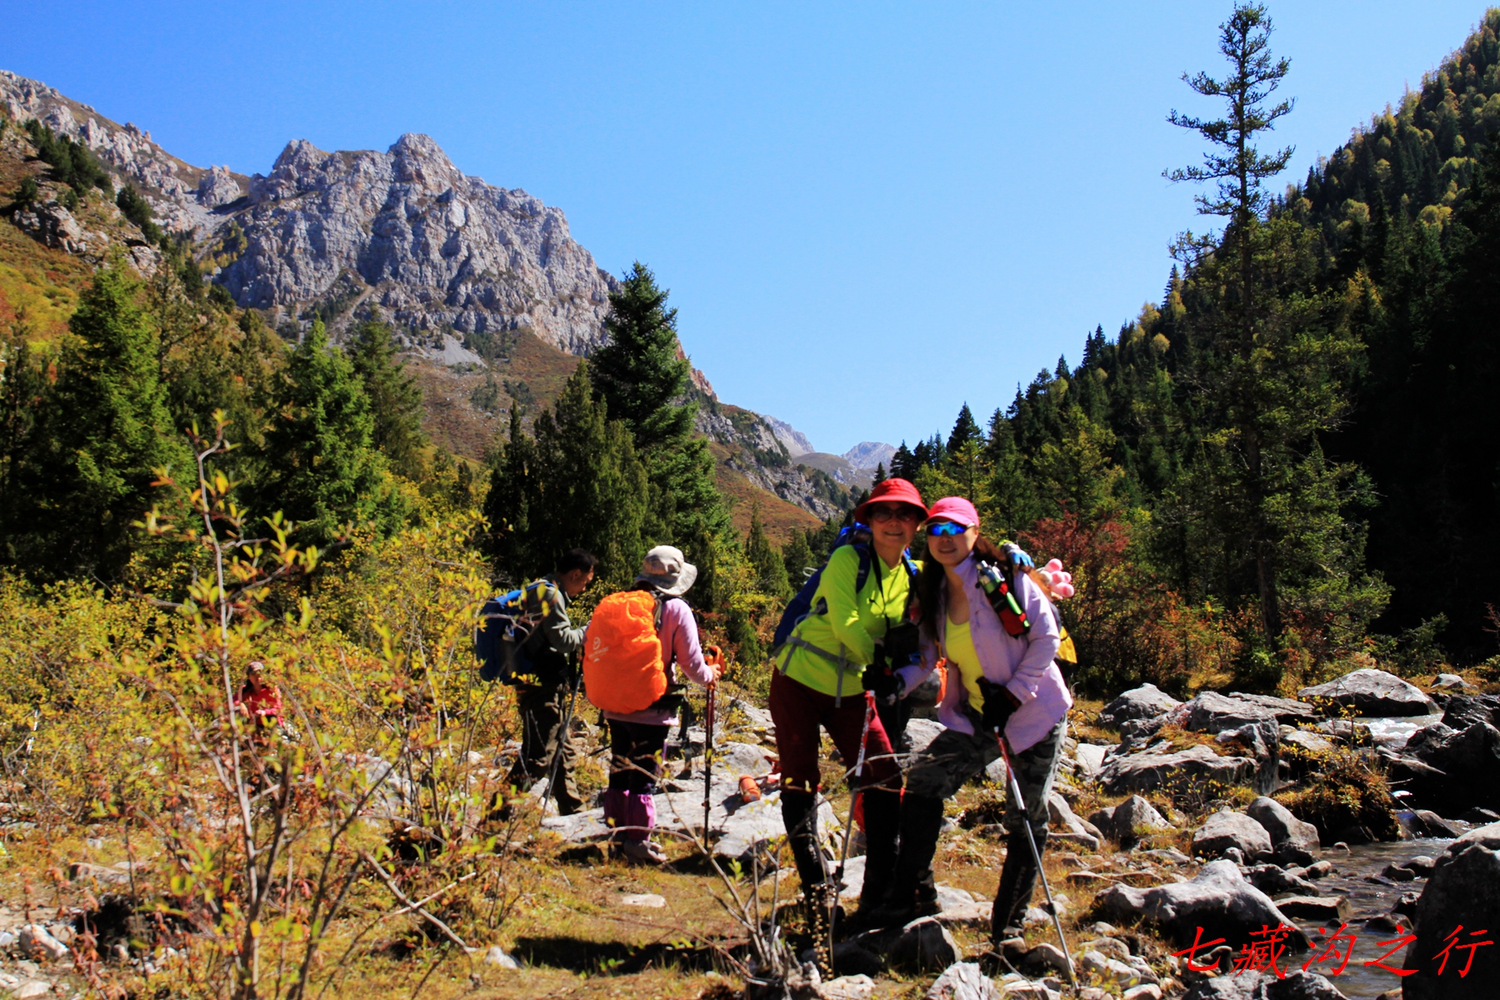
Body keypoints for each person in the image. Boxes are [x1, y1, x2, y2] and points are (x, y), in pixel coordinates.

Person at [871, 496, 1070, 948]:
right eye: (936, 530)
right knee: (924, 781)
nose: (944, 539)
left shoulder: (1008, 579)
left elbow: (1047, 639)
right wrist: (894, 685)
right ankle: (914, 896)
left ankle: (1008, 929)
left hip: (1035, 715)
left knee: (1025, 816)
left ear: (975, 533)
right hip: (980, 717)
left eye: (954, 529)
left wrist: (1014, 695)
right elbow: (927, 657)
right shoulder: (935, 593)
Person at [770, 477, 927, 926]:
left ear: (917, 524)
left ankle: (879, 890)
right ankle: (817, 889)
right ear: (870, 520)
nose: (893, 522)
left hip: (853, 687)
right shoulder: (847, 559)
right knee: (800, 778)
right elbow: (846, 623)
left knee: (882, 775)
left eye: (904, 514)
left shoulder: (914, 574)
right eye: (883, 513)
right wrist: (882, 667)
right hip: (799, 678)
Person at [596, 545, 721, 864]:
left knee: (619, 768)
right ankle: (638, 842)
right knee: (644, 775)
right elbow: (692, 665)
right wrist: (711, 674)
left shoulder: (622, 603)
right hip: (652, 707)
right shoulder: (676, 609)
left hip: (615, 703)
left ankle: (617, 835)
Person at [504, 548, 597, 816]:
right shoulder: (551, 595)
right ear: (575, 574)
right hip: (541, 685)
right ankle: (496, 816)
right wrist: (588, 630)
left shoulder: (539, 588)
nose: (584, 589)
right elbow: (563, 641)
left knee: (562, 753)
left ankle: (573, 811)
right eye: (585, 582)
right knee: (539, 756)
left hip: (534, 680)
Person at [233, 661, 284, 730]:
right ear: (249, 677)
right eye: (253, 674)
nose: (257, 676)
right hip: (255, 726)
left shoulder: (271, 689)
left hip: (272, 725)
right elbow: (232, 701)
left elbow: (278, 709)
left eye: (259, 673)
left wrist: (264, 712)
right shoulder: (245, 690)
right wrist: (240, 704)